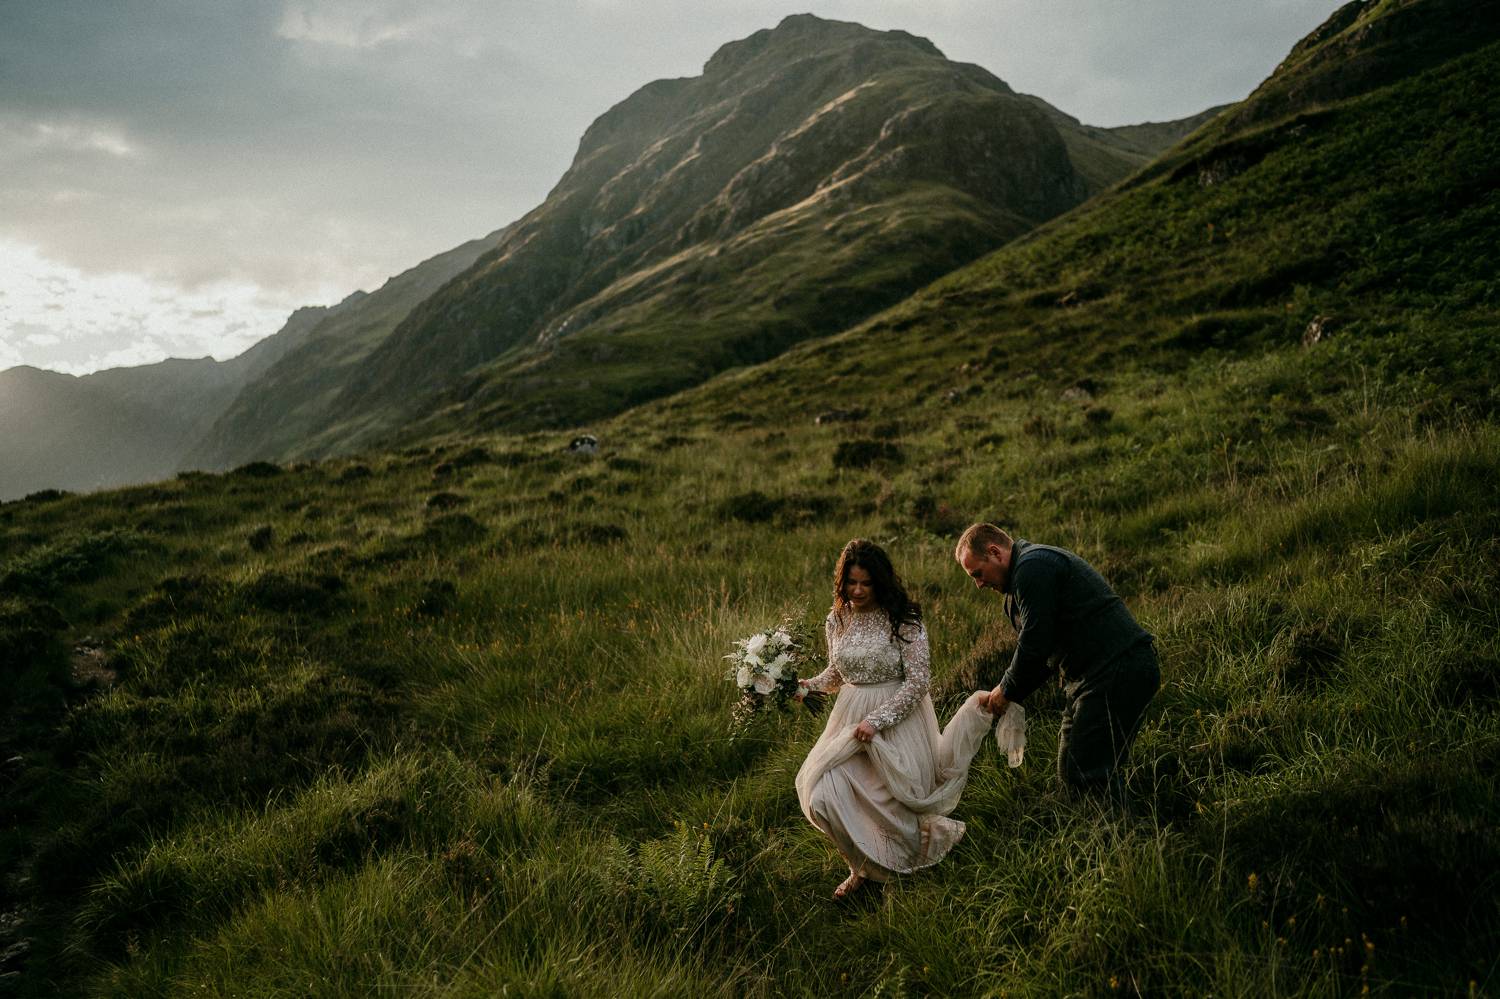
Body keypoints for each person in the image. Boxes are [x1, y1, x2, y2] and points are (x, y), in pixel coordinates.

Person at [795, 539, 993, 900]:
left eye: (866, 584)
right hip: (849, 719)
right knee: (822, 795)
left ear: (881, 582)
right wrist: (807, 687)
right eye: (851, 583)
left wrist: (878, 720)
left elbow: (919, 682)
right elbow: (837, 673)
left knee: (891, 802)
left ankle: (888, 873)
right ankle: (864, 867)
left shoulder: (904, 618)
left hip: (897, 717)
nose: (857, 591)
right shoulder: (837, 619)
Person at [955, 523, 1159, 813]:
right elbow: (1045, 658)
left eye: (977, 573)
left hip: (1118, 669)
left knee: (1090, 774)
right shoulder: (1015, 590)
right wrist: (1008, 694)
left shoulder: (1033, 567)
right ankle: (1102, 840)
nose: (978, 584)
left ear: (994, 552)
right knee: (1072, 771)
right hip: (1089, 679)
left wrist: (1006, 689)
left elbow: (1034, 644)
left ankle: (1124, 841)